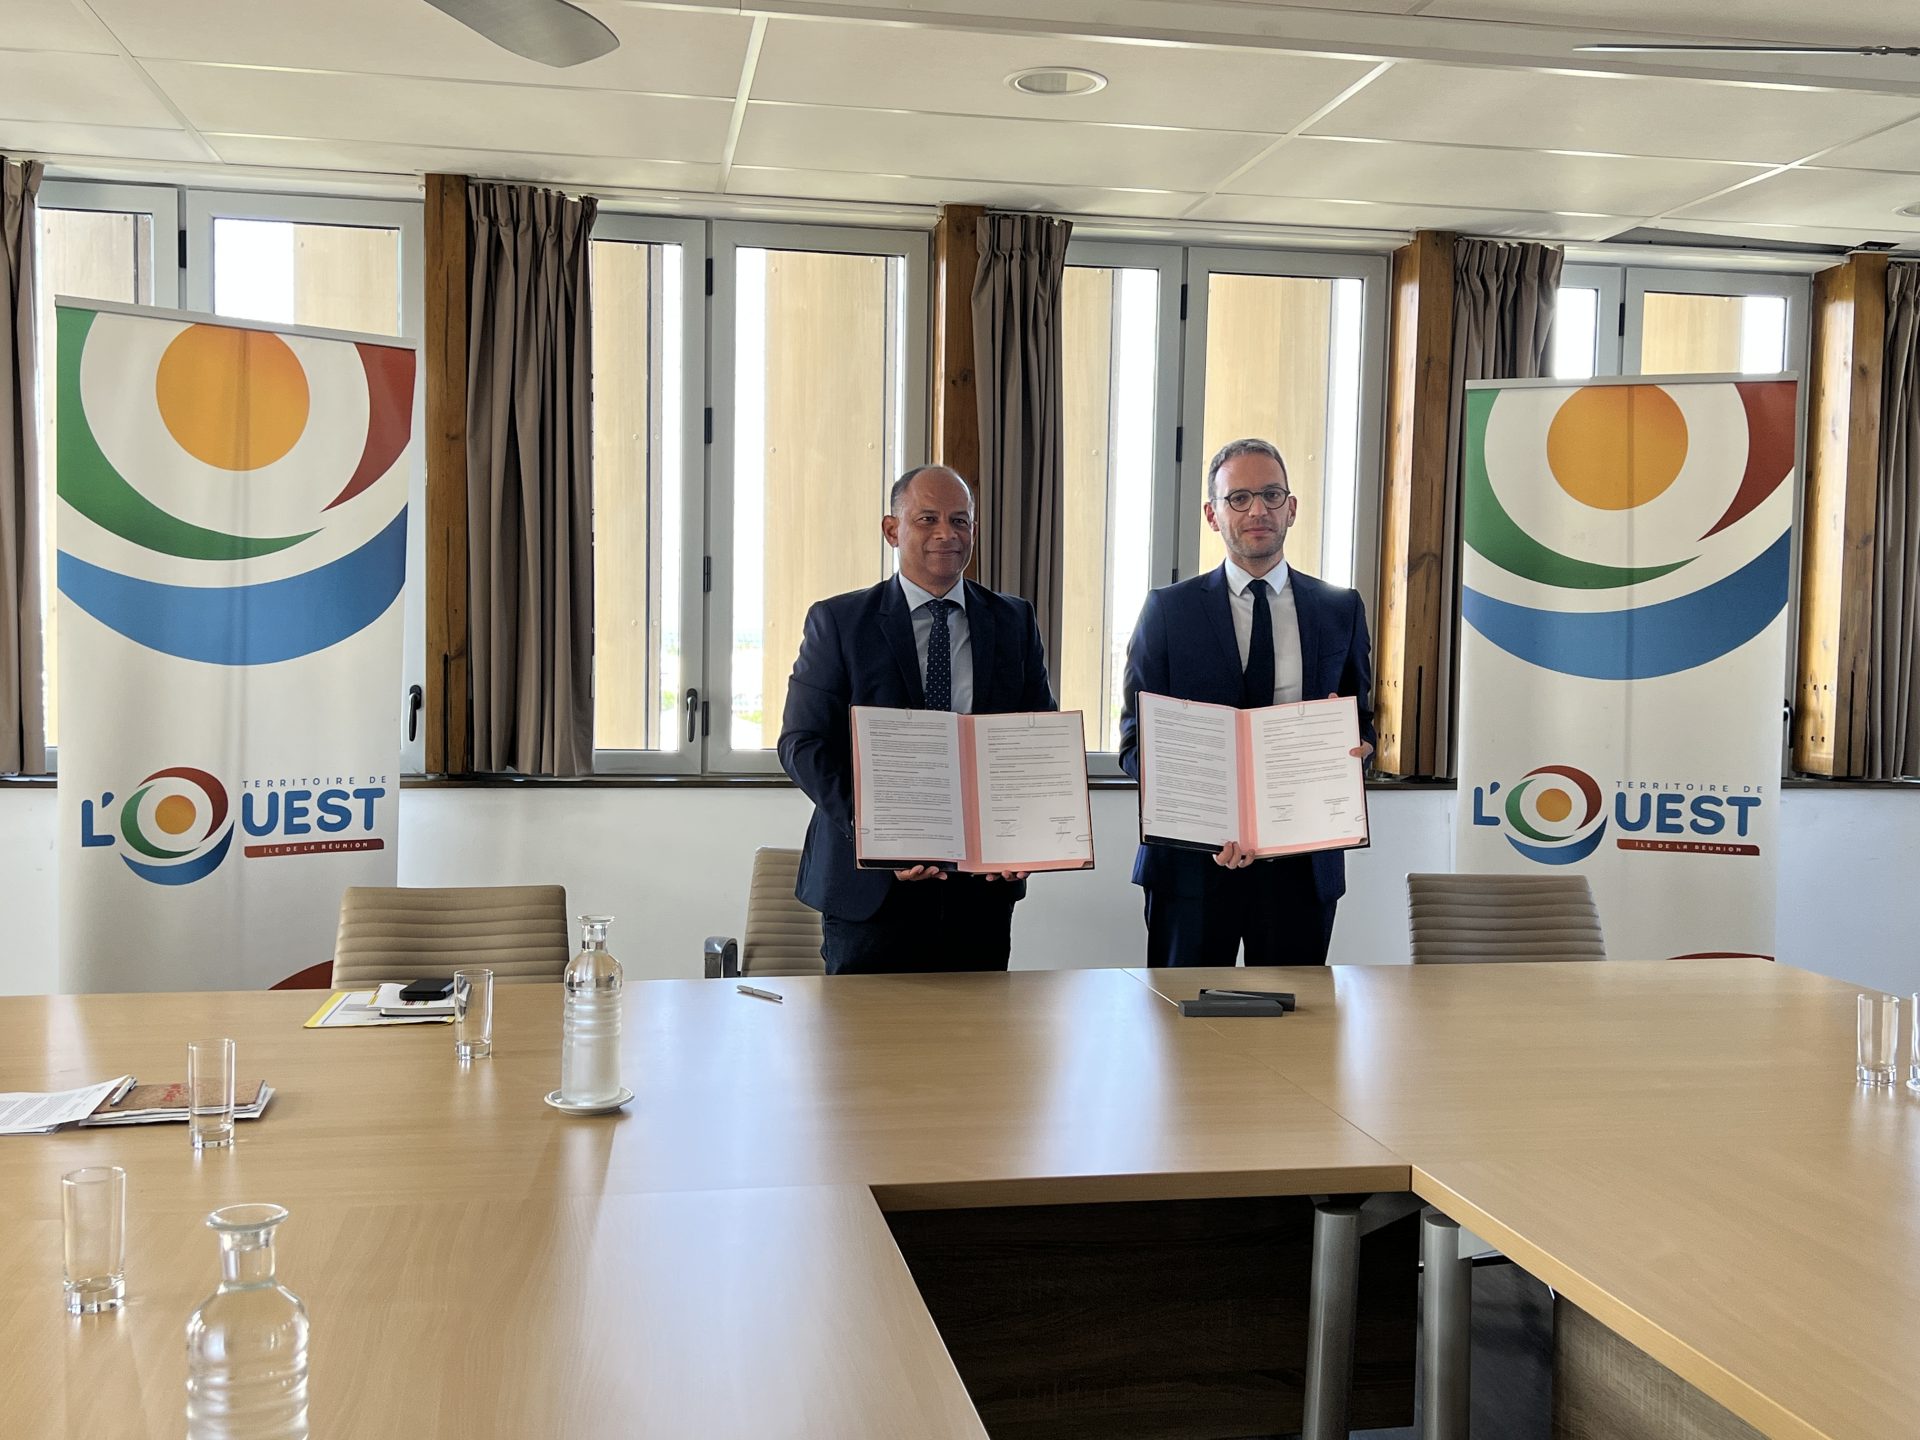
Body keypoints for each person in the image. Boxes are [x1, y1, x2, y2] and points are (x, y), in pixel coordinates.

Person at [778, 465, 1057, 974]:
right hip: (870, 890)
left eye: (960, 520)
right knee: (864, 1026)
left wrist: (1027, 836)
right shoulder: (839, 621)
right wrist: (876, 832)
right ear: (892, 530)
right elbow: (802, 743)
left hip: (980, 890)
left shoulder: (1013, 621)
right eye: (927, 519)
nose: (946, 533)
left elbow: (1036, 741)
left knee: (976, 1025)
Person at [1118, 438, 1374, 967]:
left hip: (1301, 866)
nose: (1257, 510)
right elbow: (1134, 743)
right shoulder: (1167, 611)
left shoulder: (1340, 610)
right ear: (1212, 514)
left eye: (1271, 494)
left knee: (1294, 1017)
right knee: (1181, 1017)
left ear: (1291, 508)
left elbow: (1360, 722)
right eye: (1239, 498)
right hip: (1190, 867)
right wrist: (1202, 815)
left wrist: (1359, 750)